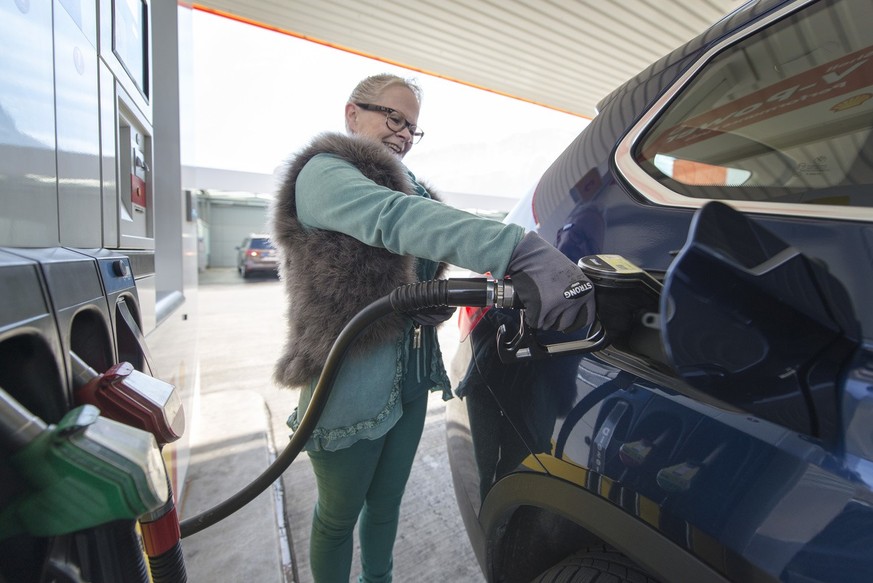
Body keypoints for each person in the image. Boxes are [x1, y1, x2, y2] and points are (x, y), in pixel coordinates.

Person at [270, 73, 595, 583]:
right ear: (352, 112)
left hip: (413, 380)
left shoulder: (412, 185)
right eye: (392, 117)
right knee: (337, 517)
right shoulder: (325, 172)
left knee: (386, 507)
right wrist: (515, 248)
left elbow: (420, 250)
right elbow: (392, 217)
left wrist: (431, 299)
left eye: (412, 128)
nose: (402, 133)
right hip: (349, 383)